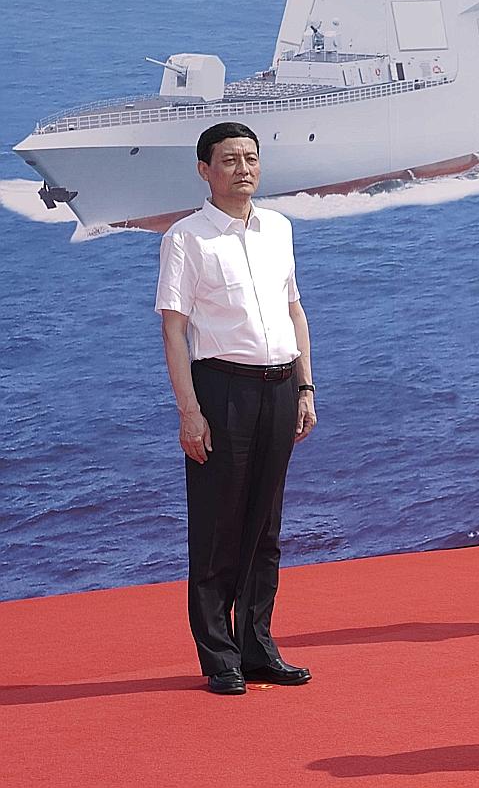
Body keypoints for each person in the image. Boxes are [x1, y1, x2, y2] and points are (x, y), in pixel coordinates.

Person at [155, 122, 318, 696]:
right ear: (205, 169)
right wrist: (189, 411)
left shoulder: (279, 228)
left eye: (251, 158)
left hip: (279, 386)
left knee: (265, 525)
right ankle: (218, 655)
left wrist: (306, 386)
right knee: (219, 524)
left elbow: (294, 309)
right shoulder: (186, 239)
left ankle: (257, 645)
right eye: (229, 160)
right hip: (221, 389)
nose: (243, 168)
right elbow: (175, 332)